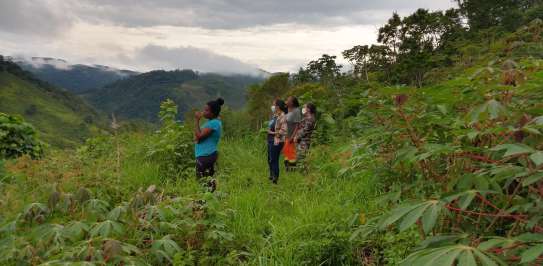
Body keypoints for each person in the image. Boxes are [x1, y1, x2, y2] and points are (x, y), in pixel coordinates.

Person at [194, 98, 224, 192]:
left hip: (206, 155)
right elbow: (199, 137)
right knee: (208, 180)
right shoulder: (211, 122)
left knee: (202, 180)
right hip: (206, 154)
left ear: (213, 113)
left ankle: (203, 202)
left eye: (206, 110)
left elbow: (199, 136)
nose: (204, 112)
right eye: (204, 109)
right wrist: (198, 137)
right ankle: (209, 201)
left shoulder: (213, 123)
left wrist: (197, 121)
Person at [268, 99, 288, 184]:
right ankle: (273, 176)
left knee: (274, 159)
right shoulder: (277, 116)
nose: (273, 107)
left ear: (278, 107)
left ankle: (275, 178)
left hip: (277, 141)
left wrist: (273, 133)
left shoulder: (283, 116)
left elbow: (284, 130)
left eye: (274, 105)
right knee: (271, 159)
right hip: (273, 140)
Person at [294, 103, 317, 173]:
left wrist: (297, 136)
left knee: (302, 158)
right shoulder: (306, 118)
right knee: (300, 158)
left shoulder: (310, 119)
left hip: (304, 142)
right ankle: (303, 174)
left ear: (308, 109)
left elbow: (305, 130)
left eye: (304, 107)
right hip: (301, 141)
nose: (303, 109)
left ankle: (305, 174)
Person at [284, 96, 302, 171]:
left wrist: (293, 136)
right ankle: (288, 168)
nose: (286, 101)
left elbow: (297, 125)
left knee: (291, 152)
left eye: (288, 100)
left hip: (292, 135)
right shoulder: (288, 110)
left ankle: (292, 169)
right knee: (286, 151)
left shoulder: (296, 111)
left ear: (292, 103)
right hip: (286, 135)